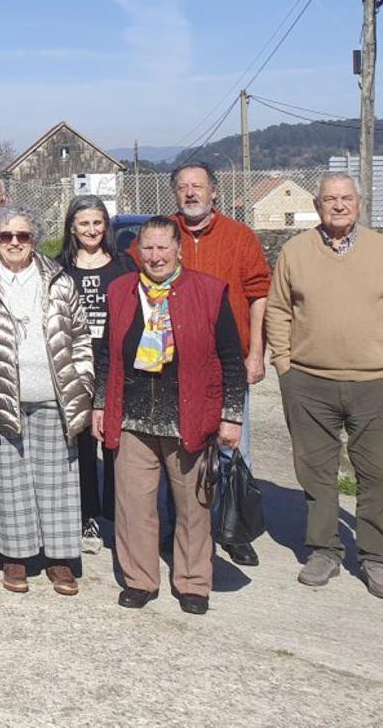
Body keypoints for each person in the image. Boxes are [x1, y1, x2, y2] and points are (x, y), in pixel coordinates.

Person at [267, 173, 383, 601]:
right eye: (330, 199)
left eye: (346, 198)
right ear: (317, 205)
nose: (338, 205)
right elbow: (278, 310)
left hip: (375, 383)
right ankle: (324, 550)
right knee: (315, 471)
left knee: (378, 474)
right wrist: (284, 365)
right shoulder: (295, 251)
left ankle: (373, 556)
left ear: (359, 203)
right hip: (309, 382)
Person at [93, 215, 246, 615]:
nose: (155, 256)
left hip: (188, 417)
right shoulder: (120, 290)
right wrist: (99, 404)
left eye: (163, 247)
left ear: (179, 249)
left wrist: (231, 415)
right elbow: (107, 353)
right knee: (133, 506)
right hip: (132, 418)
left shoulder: (209, 292)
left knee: (194, 506)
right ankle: (140, 579)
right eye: (148, 248)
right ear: (137, 251)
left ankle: (193, 582)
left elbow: (231, 359)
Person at [129, 161, 270, 568]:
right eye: (183, 187)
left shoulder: (239, 237)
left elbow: (259, 292)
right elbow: (129, 274)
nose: (191, 193)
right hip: (172, 367)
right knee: (181, 454)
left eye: (199, 187)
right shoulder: (162, 237)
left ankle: (233, 529)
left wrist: (256, 351)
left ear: (214, 193)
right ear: (175, 193)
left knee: (231, 448)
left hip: (226, 363)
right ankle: (178, 531)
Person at [0, 206, 92, 596]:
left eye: (22, 236)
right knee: (11, 484)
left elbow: (81, 337)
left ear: (34, 240)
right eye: (7, 236)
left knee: (58, 482)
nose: (15, 243)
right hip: (6, 399)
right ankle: (15, 558)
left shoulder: (58, 280)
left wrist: (83, 387)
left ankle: (59, 560)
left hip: (55, 398)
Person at [58, 195, 137, 554]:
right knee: (82, 445)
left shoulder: (124, 265)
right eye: (84, 224)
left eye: (97, 223)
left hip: (116, 363)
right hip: (74, 366)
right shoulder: (60, 267)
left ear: (106, 226)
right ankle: (86, 513)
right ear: (72, 228)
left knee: (119, 444)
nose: (91, 230)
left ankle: (121, 514)